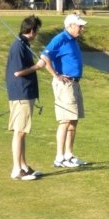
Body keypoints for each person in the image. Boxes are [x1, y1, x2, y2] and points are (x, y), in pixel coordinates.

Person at [40, 13, 88, 168]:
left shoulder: (73, 40)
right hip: (64, 85)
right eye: (80, 26)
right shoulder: (60, 38)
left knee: (73, 120)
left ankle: (68, 155)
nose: (82, 29)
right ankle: (59, 157)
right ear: (70, 26)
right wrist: (56, 75)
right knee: (65, 120)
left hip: (74, 84)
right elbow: (44, 57)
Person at [5, 15, 47, 180]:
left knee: (23, 131)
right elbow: (18, 72)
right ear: (32, 31)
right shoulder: (18, 46)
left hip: (25, 93)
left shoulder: (24, 44)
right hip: (20, 93)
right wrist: (37, 66)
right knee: (19, 131)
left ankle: (23, 166)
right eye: (36, 31)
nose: (36, 34)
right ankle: (16, 170)